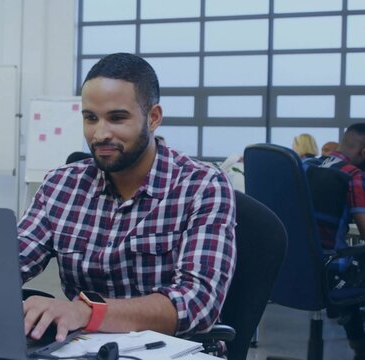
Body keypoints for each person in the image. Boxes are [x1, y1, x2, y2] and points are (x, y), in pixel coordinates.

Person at [19, 53, 236, 343]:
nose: (100, 133)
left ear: (153, 118)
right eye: (90, 118)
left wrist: (87, 312)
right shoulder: (60, 185)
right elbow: (8, 263)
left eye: (117, 118)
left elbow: (197, 302)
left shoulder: (202, 186)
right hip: (81, 349)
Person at [312, 124, 365, 359]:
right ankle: (359, 346)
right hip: (330, 268)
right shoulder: (352, 175)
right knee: (356, 267)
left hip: (294, 268)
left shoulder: (307, 167)